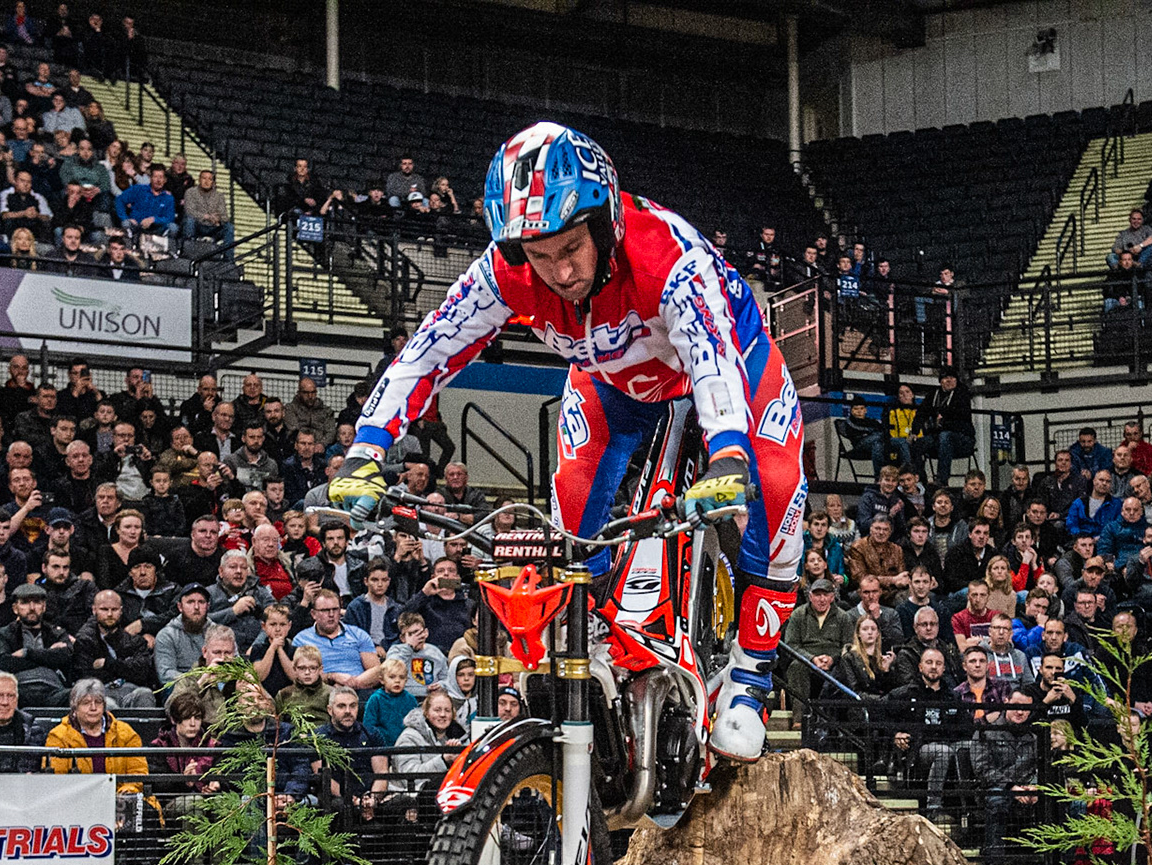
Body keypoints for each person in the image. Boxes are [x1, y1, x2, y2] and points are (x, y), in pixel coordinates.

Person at [327, 123, 807, 762]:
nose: (560, 271)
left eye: (572, 247)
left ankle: (750, 677)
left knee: (771, 485)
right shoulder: (506, 271)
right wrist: (367, 449)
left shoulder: (666, 254)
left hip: (729, 362)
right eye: (540, 255)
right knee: (570, 517)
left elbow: (709, 356)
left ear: (606, 221)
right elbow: (429, 350)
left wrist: (725, 452)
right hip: (613, 382)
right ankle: (604, 644)